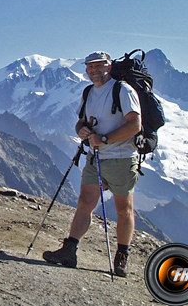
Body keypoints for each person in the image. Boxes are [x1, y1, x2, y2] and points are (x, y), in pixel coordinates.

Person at [43, 51, 141, 277]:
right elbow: (80, 122)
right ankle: (70, 250)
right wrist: (83, 132)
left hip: (121, 157)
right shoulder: (88, 92)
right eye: (90, 67)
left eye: (99, 66)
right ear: (86, 70)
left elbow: (135, 124)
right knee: (85, 202)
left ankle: (121, 257)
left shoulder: (123, 90)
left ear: (109, 66)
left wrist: (105, 139)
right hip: (95, 157)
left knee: (123, 209)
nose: (94, 70)